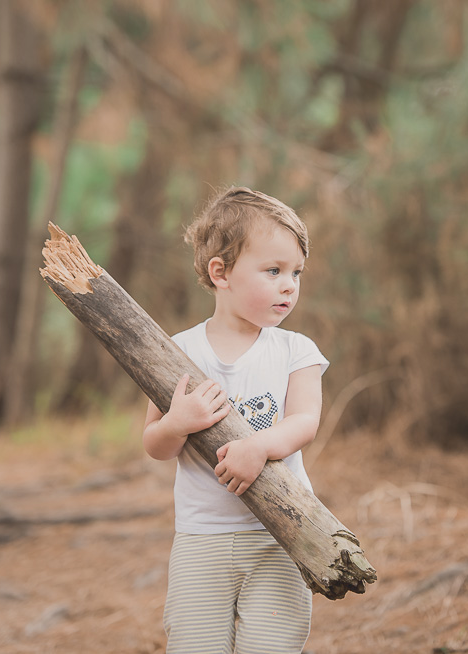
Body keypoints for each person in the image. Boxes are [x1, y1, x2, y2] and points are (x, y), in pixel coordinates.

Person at [142, 186, 328, 653]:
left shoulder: (294, 350)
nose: (289, 284)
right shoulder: (179, 352)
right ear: (220, 273)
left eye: (296, 272)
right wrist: (177, 423)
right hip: (201, 540)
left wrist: (260, 447)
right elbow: (155, 444)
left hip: (280, 536)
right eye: (273, 270)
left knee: (272, 646)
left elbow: (305, 420)